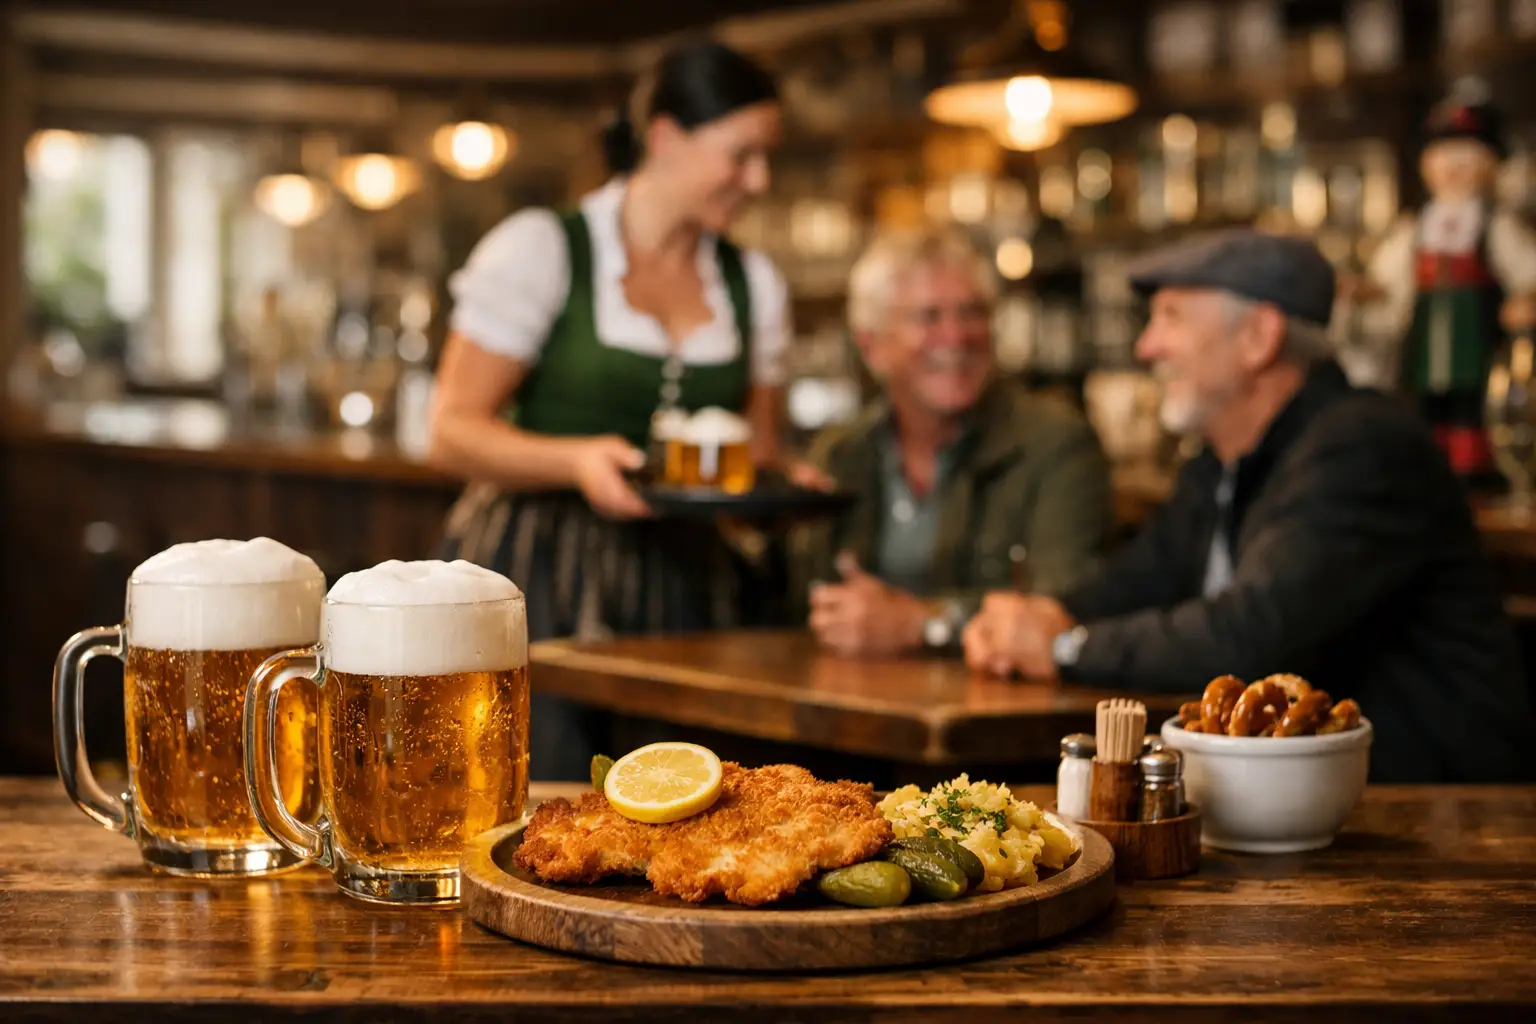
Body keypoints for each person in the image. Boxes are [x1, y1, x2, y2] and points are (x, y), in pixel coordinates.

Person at [962, 228, 1535, 784]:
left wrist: (1065, 647)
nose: (1146, 346)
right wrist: (1038, 618)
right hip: (1322, 806)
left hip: (1444, 817)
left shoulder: (1363, 446)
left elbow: (1253, 632)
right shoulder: (1222, 460)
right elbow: (1139, 581)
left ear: (1259, 336)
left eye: (1171, 318)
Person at [428, 40, 791, 780]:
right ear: (665, 136)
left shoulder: (754, 282)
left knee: (685, 792)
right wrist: (574, 459)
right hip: (538, 571)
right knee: (536, 784)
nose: (760, 179)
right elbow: (450, 432)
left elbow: (760, 453)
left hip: (688, 584)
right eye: (742, 154)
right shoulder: (544, 249)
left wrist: (790, 485)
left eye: (767, 156)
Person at [790, 227, 1115, 658]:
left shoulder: (1056, 442)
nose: (957, 336)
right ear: (871, 346)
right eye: (929, 317)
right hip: (847, 709)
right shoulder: (841, 453)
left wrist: (921, 623)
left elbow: (1066, 602)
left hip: (997, 715)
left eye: (972, 313)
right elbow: (788, 603)